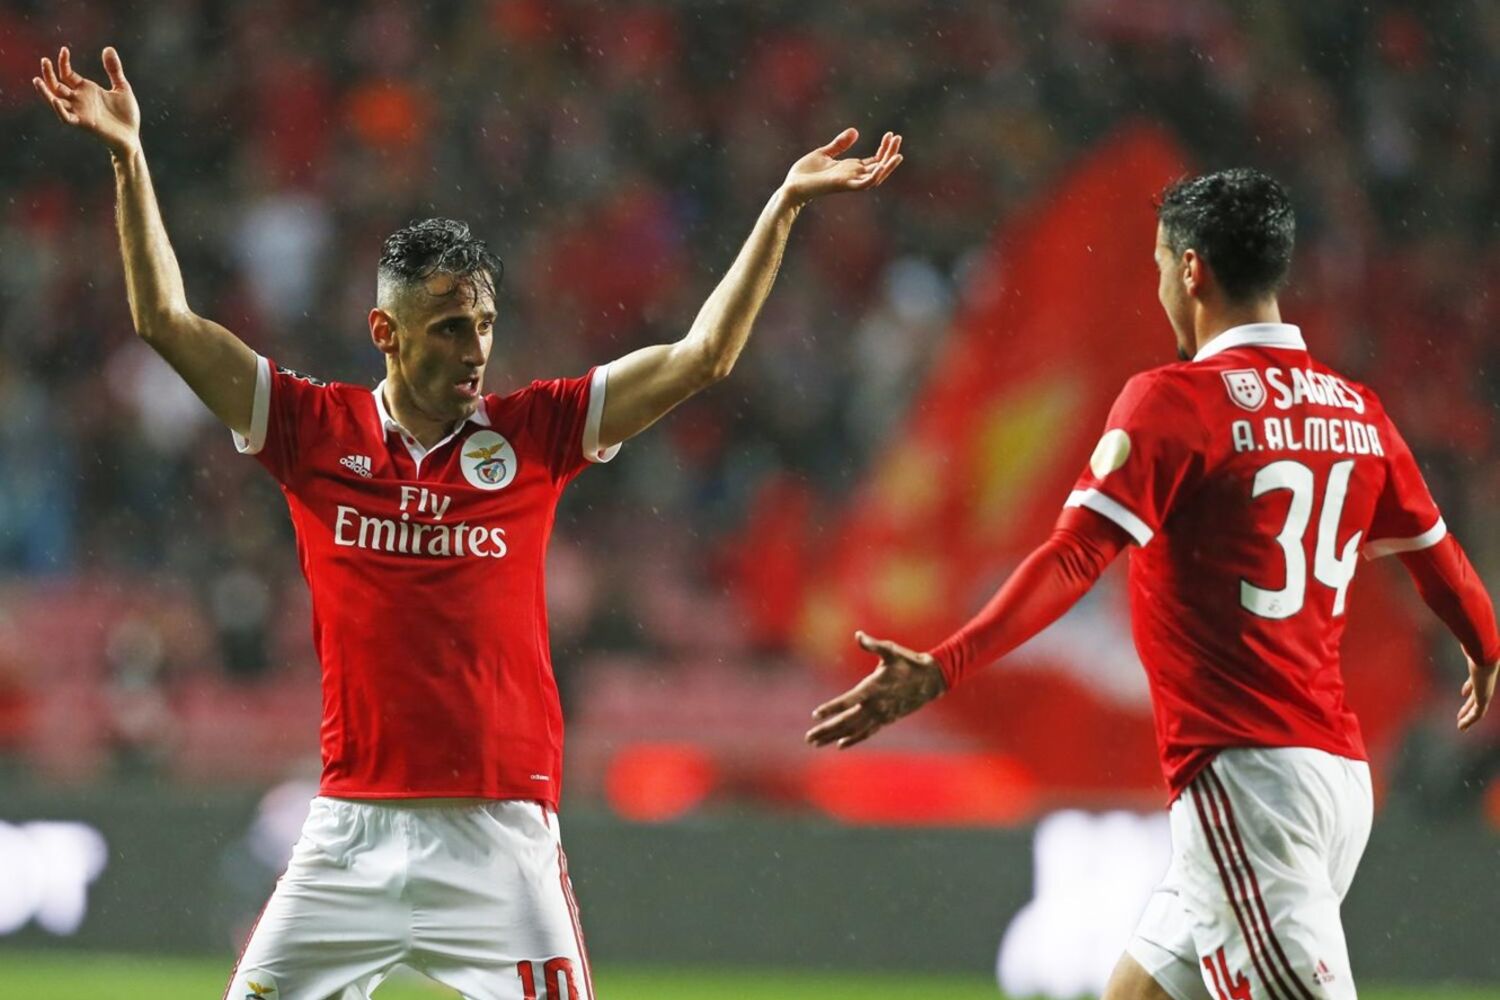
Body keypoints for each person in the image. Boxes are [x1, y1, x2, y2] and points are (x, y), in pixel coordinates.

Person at [33, 45, 902, 1000]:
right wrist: (128, 157)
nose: (475, 348)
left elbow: (704, 357)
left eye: (484, 323)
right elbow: (164, 320)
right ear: (386, 332)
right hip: (350, 836)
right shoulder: (312, 430)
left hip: (501, 838)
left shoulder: (538, 432)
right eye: (450, 327)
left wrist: (783, 204)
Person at [806, 167, 1499, 1000]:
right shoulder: (1357, 411)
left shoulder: (1175, 402)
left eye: (1161, 264)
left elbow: (1073, 559)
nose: (1160, 285)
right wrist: (1485, 648)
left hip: (1246, 781)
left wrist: (944, 665)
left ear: (1192, 269)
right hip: (1334, 778)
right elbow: (1441, 561)